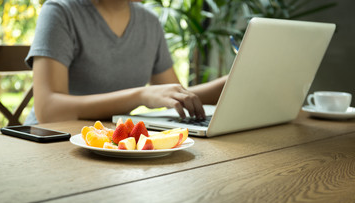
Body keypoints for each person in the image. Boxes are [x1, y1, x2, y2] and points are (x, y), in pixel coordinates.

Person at [24, 0, 226, 125]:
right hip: (51, 142)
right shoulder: (60, 11)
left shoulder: (150, 22)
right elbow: (47, 110)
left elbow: (175, 98)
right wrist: (140, 95)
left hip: (114, 144)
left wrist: (231, 82)